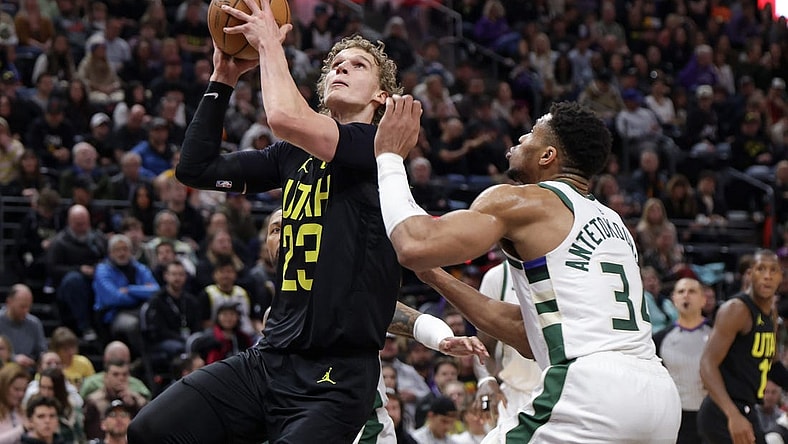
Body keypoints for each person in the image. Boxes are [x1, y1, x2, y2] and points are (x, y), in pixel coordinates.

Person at [128, 5, 485, 442]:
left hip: (335, 380)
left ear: (380, 97)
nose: (341, 69)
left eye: (358, 65)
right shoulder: (291, 155)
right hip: (271, 359)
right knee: (150, 430)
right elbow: (195, 169)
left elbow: (283, 117)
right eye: (336, 64)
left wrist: (268, 45)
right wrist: (222, 79)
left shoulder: (376, 148)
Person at [374, 98, 681, 442]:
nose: (519, 139)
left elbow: (414, 243)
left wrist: (388, 157)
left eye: (531, 133)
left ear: (547, 155)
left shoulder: (522, 201)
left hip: (591, 389)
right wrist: (434, 276)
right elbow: (527, 333)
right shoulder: (614, 223)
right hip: (659, 397)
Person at [698, 249, 787, 444]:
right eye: (760, 269)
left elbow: (772, 364)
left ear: (780, 277)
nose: (767, 276)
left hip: (747, 409)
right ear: (749, 274)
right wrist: (732, 414)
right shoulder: (736, 309)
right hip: (722, 413)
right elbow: (706, 365)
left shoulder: (770, 314)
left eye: (773, 270)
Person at [653, 277, 711, 444]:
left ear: (703, 299)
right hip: (675, 418)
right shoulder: (659, 339)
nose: (686, 295)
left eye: (692, 291)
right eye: (681, 291)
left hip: (711, 414)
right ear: (674, 299)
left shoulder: (717, 334)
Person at [0, 284, 47, 371]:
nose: (26, 311)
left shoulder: (34, 323)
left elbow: (42, 351)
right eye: (22, 307)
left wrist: (43, 360)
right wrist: (13, 358)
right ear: (9, 302)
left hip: (28, 372)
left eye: (28, 307)